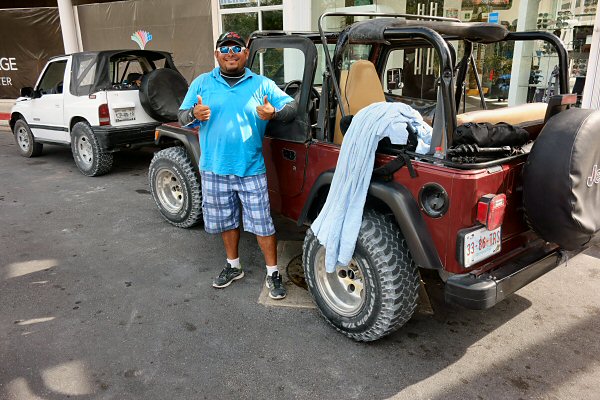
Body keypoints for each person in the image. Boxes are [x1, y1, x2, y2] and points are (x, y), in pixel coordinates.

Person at [178, 31, 297, 299]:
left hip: (250, 168)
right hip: (214, 168)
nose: (230, 52)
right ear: (216, 54)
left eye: (236, 47)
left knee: (263, 223)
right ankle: (233, 266)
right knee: (226, 221)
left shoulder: (262, 84)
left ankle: (272, 272)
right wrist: (193, 114)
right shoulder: (201, 83)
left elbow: (292, 107)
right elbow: (182, 115)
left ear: (245, 53)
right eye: (224, 47)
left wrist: (274, 113)